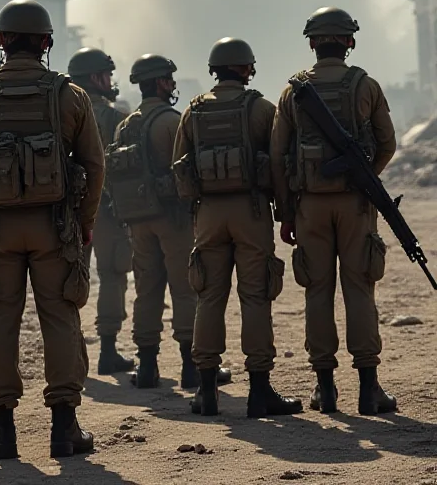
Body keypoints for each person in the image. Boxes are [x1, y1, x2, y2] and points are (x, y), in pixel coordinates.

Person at [0, 0, 105, 459]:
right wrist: (84, 224)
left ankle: (1, 432)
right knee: (60, 318)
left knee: (0, 320)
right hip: (56, 228)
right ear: (46, 41)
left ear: (0, 39)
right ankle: (65, 429)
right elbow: (95, 166)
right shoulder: (69, 95)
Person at [270, 7, 398, 415]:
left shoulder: (293, 92)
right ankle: (369, 388)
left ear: (312, 42)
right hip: (355, 204)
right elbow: (387, 143)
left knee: (317, 291)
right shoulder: (366, 85)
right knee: (360, 289)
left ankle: (325, 390)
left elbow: (277, 155)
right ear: (349, 42)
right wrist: (365, 177)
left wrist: (287, 212)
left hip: (309, 206)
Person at [172, 38, 302, 418]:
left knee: (209, 297)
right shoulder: (261, 108)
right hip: (252, 211)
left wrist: (197, 207)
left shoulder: (192, 111)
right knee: (256, 298)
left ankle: (206, 393)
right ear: (247, 68)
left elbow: (180, 167)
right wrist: (285, 210)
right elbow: (279, 161)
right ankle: (259, 392)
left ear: (214, 70)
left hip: (208, 213)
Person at [106, 55, 202, 389]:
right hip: (172, 218)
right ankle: (192, 368)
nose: (173, 85)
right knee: (185, 289)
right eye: (170, 79)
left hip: (136, 219)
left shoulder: (125, 124)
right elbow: (190, 170)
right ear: (160, 82)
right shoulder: (171, 121)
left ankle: (147, 368)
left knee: (146, 291)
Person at [68, 47, 134, 375]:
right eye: (107, 75)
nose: (111, 81)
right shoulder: (114, 117)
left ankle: (69, 354)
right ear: (96, 78)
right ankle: (107, 351)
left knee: (70, 279)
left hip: (67, 211)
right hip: (106, 211)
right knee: (112, 274)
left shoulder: (61, 113)